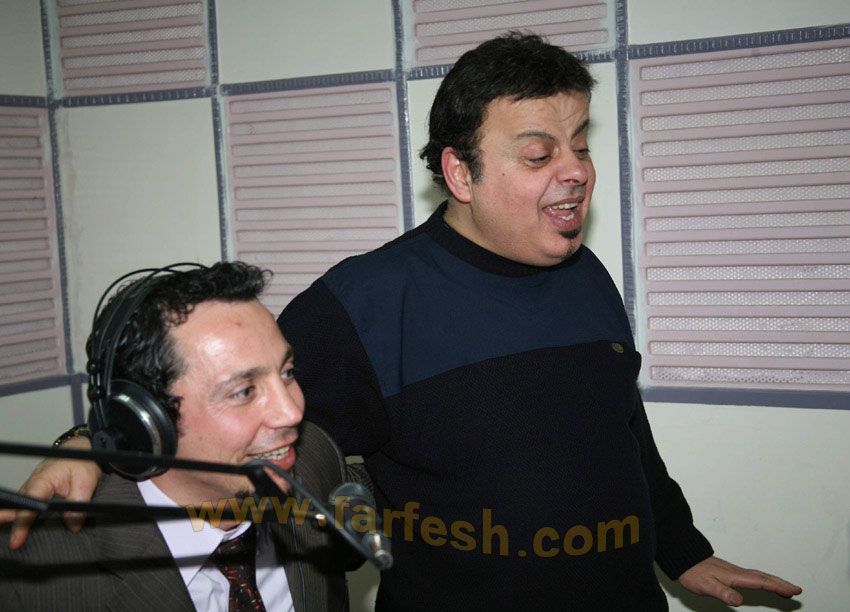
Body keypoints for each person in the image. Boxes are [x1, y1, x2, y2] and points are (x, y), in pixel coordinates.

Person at [3, 33, 801, 610]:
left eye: (580, 145)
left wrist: (682, 552)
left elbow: (624, 431)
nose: (575, 173)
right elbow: (222, 415)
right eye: (538, 154)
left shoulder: (586, 275)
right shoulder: (365, 303)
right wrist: (90, 444)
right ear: (460, 172)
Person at [0, 262, 361, 611]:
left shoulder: (316, 459)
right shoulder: (30, 581)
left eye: (287, 372)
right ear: (145, 420)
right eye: (244, 391)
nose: (292, 412)